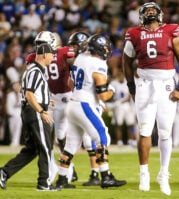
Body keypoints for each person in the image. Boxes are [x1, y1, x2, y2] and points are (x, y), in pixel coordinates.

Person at [122, 2, 179, 196]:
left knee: (165, 131)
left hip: (167, 84)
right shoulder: (134, 33)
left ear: (159, 15)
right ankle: (144, 173)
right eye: (147, 11)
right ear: (141, 15)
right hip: (144, 83)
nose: (150, 13)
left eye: (153, 10)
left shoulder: (171, 31)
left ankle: (163, 173)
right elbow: (126, 61)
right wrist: (131, 86)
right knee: (144, 130)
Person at [55, 34, 126, 189]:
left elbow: (70, 82)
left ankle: (62, 179)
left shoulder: (80, 58)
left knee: (71, 144)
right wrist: (112, 90)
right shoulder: (98, 63)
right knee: (103, 135)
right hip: (84, 104)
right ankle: (105, 176)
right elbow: (103, 95)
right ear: (100, 49)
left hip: (73, 103)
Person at [0, 43, 58, 191]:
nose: (53, 57)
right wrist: (41, 110)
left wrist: (45, 100)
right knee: (45, 147)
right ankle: (43, 183)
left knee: (32, 149)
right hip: (34, 112)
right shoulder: (35, 71)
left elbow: (31, 93)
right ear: (44, 55)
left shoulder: (35, 70)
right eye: (52, 54)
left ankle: (4, 172)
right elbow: (29, 94)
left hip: (32, 110)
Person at [27, 31, 78, 183]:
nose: (39, 48)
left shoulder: (64, 52)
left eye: (41, 44)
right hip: (49, 99)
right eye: (37, 45)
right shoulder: (33, 58)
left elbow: (75, 65)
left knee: (60, 136)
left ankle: (69, 168)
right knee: (52, 136)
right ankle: (67, 168)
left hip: (66, 97)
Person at [67, 31, 102, 186]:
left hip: (90, 101)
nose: (72, 48)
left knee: (90, 139)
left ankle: (99, 173)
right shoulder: (84, 59)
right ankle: (97, 173)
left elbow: (71, 83)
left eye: (75, 45)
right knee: (84, 140)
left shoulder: (84, 60)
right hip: (85, 101)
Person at [109, 69, 137, 147]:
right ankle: (119, 141)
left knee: (130, 124)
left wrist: (122, 101)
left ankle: (131, 140)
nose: (121, 77)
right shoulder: (113, 83)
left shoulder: (127, 82)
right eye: (119, 75)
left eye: (122, 75)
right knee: (118, 124)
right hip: (118, 106)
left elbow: (129, 95)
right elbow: (110, 94)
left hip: (127, 105)